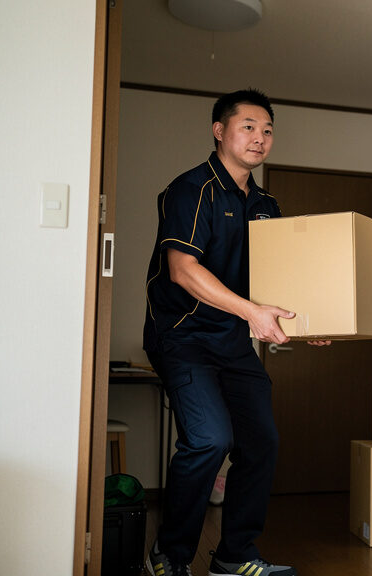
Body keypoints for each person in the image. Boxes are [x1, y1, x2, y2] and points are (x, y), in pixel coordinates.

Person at [142, 89, 328, 576]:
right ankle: (169, 556)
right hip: (182, 336)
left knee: (260, 442)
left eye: (267, 130)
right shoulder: (191, 189)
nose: (260, 138)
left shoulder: (267, 205)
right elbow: (182, 270)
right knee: (209, 439)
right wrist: (252, 314)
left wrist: (311, 322)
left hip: (230, 340)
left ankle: (234, 556)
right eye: (248, 126)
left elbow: (276, 282)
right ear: (219, 130)